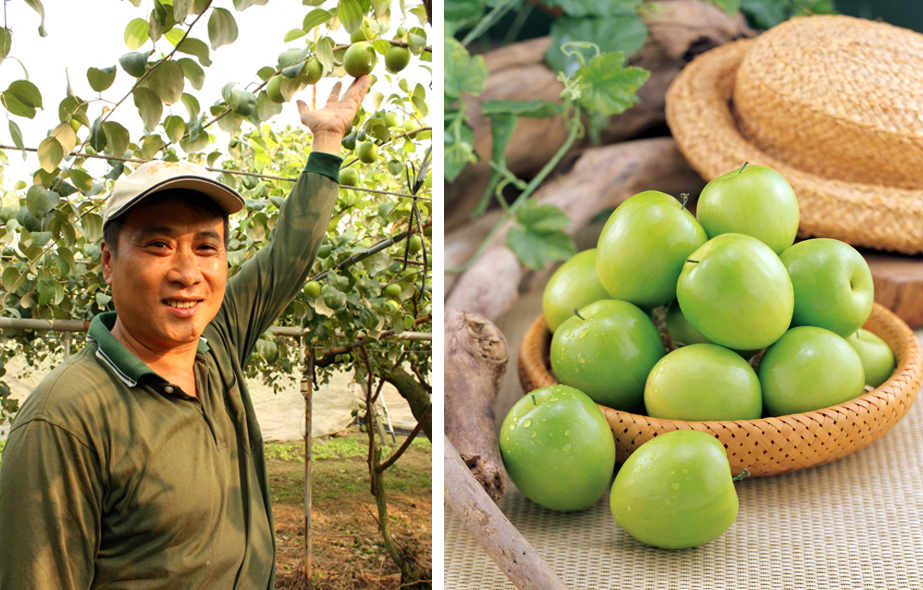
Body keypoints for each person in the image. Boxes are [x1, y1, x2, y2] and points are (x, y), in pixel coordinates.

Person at [0, 75, 370, 589]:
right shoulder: (65, 421)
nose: (187, 272)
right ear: (108, 262)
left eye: (205, 246)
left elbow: (289, 254)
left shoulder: (215, 348)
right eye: (157, 245)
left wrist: (327, 143)